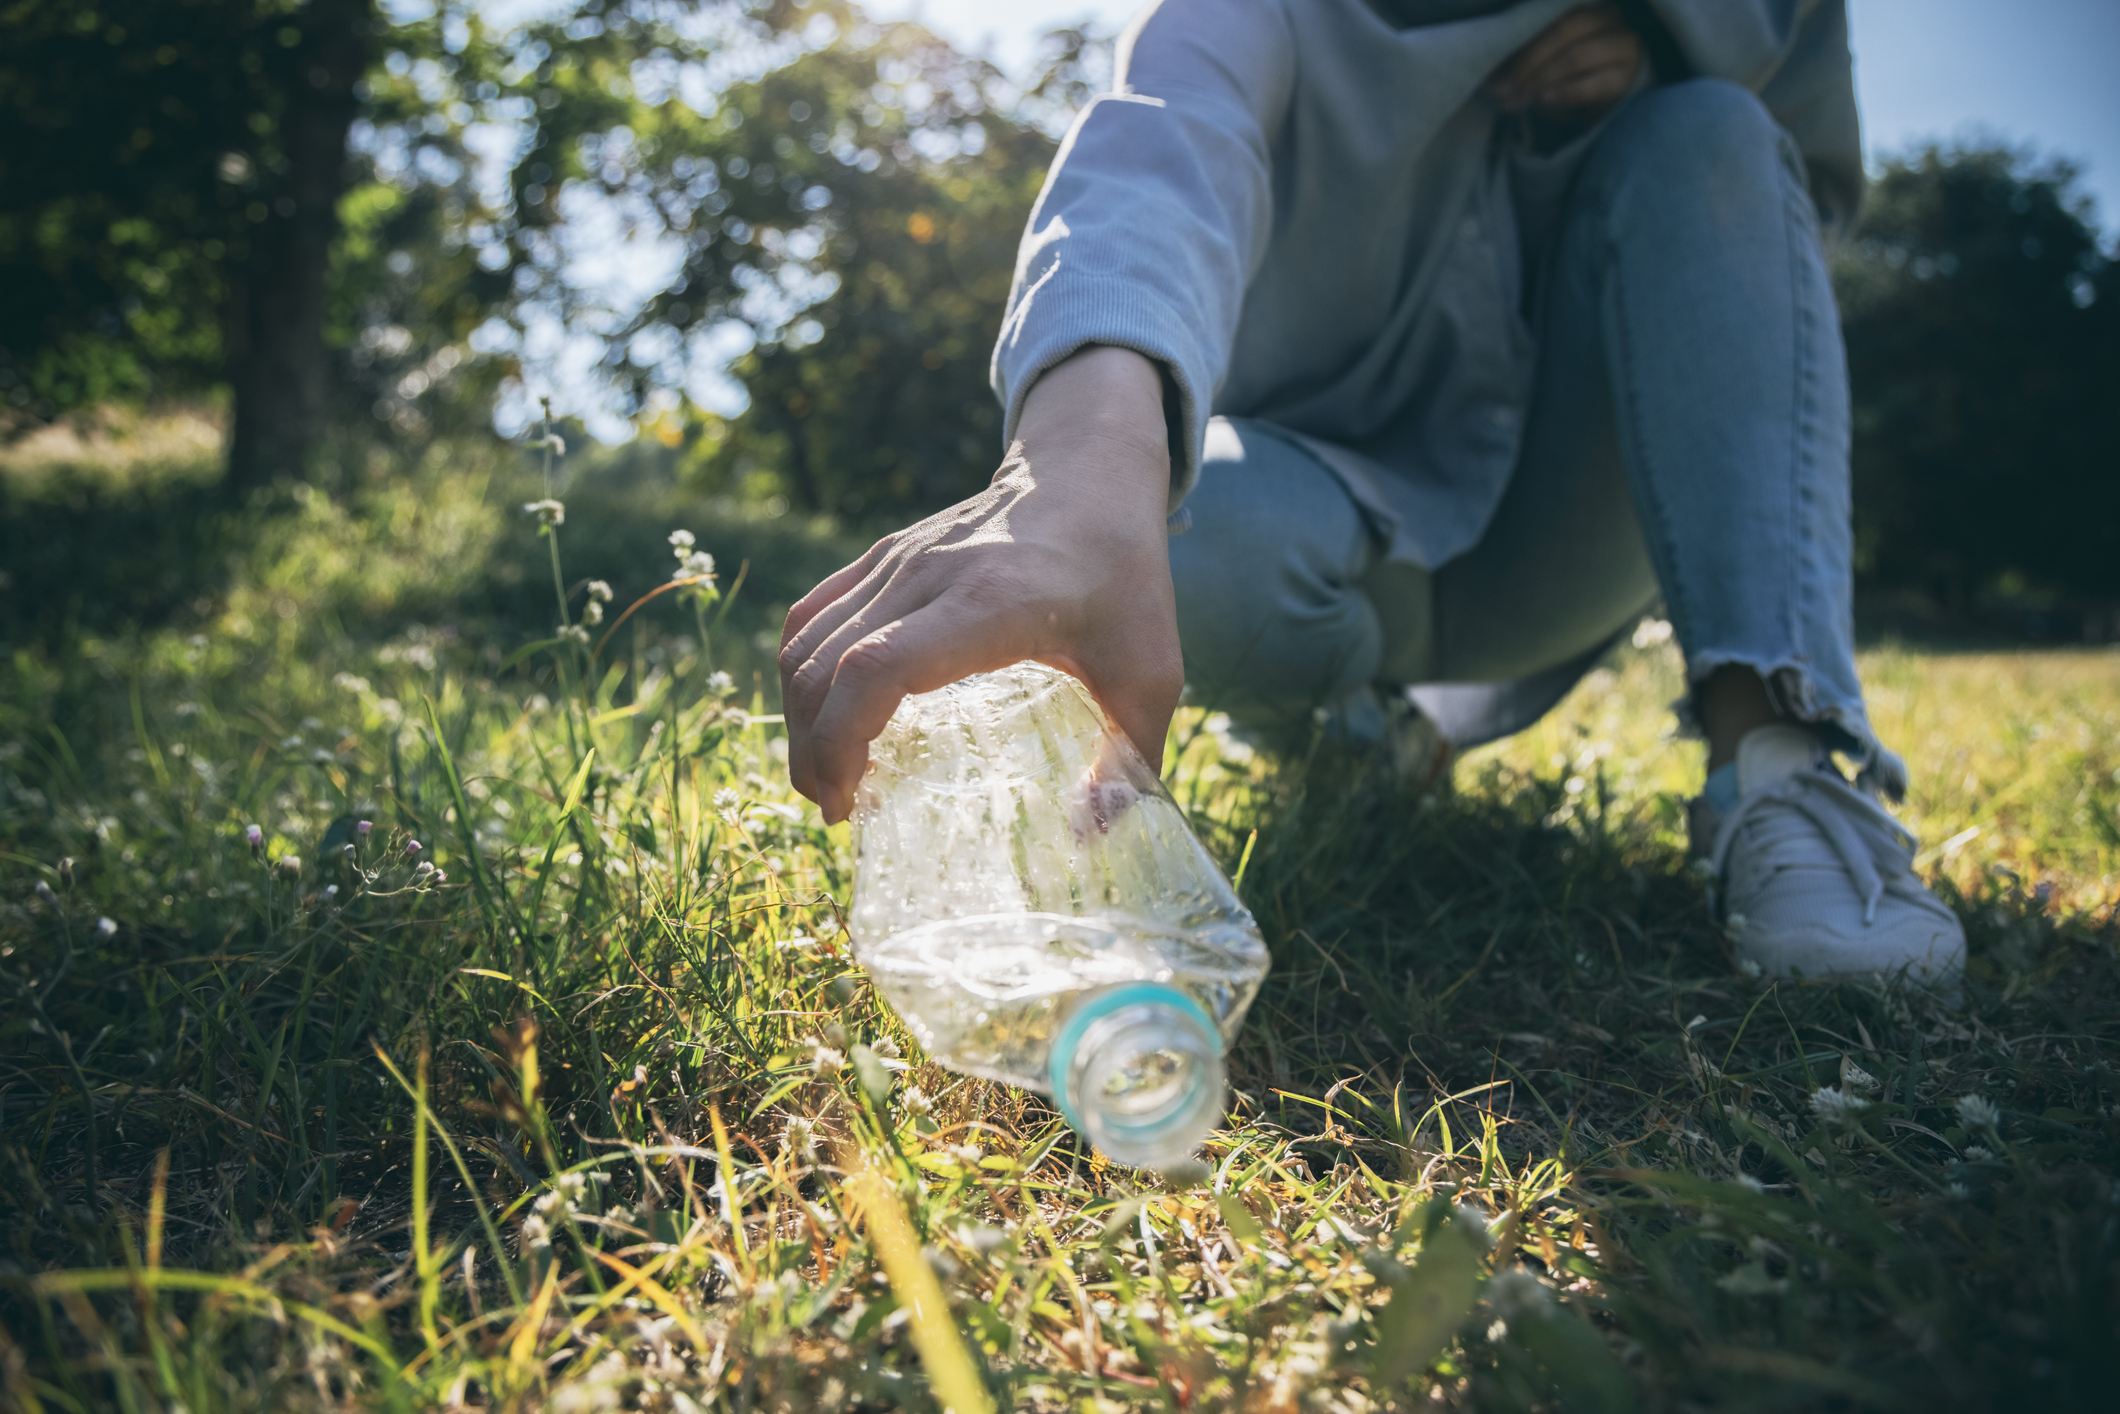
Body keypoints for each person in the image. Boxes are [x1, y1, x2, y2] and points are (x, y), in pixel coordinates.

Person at [776, 0, 1965, 987]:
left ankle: (1780, 765)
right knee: (1170, 544)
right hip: (1324, 506)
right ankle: (1361, 729)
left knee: (1711, 130)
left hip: (1583, 513)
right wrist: (1072, 478)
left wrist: (1660, 75)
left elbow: (1789, 202)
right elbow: (1152, 155)